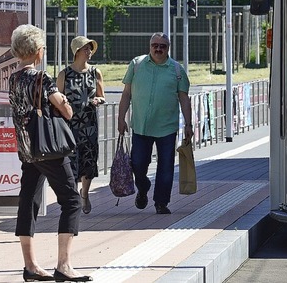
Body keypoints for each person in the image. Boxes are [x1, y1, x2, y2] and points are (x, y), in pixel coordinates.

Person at [8, 24, 92, 282]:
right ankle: (64, 266)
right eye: (42, 47)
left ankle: (30, 266)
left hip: (27, 148)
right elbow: (65, 109)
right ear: (36, 52)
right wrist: (64, 104)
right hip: (50, 149)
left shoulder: (13, 78)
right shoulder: (41, 78)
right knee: (72, 201)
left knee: (28, 203)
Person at [117, 32, 193, 214]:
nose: (158, 49)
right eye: (155, 45)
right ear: (150, 46)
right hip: (141, 126)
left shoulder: (176, 70)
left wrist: (188, 124)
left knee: (165, 167)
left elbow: (184, 99)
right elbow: (126, 93)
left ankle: (161, 202)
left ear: (168, 48)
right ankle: (142, 188)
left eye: (163, 46)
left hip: (166, 127)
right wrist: (121, 118)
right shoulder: (136, 65)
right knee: (137, 164)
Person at [57, 36, 105, 215]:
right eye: (86, 49)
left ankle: (85, 194)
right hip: (70, 125)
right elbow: (57, 99)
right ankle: (74, 196)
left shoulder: (95, 72)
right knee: (70, 161)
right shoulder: (65, 74)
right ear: (77, 52)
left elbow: (102, 96)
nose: (89, 52)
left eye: (90, 49)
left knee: (89, 160)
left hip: (90, 125)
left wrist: (97, 100)